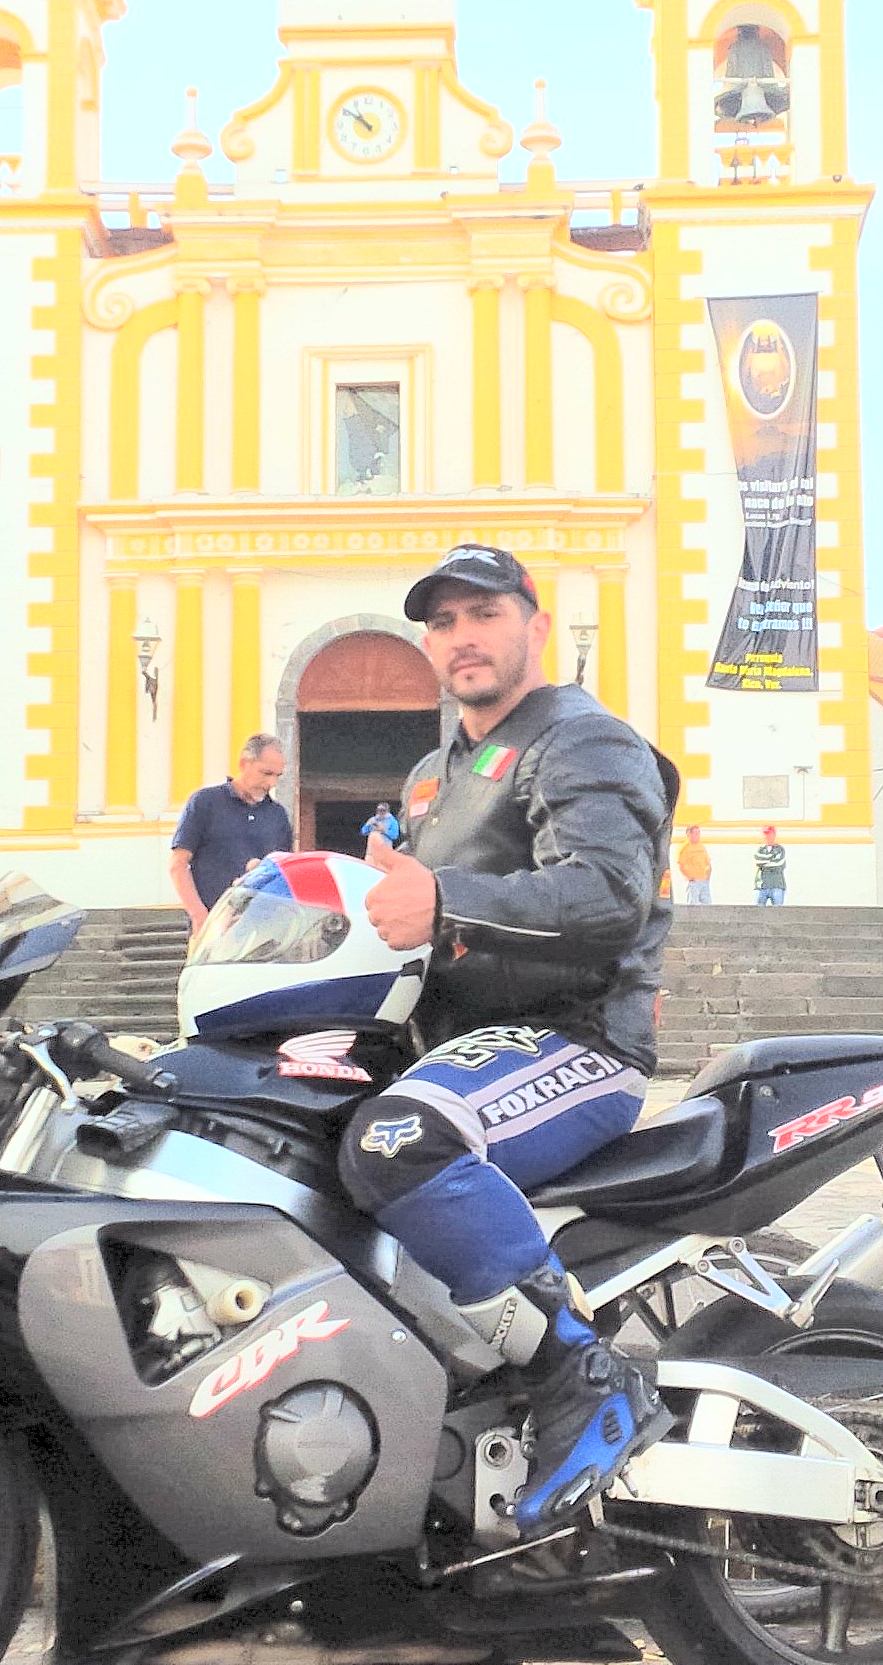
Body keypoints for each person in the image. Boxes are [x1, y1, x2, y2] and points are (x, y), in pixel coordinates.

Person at [337, 543, 676, 1535]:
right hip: (456, 1047)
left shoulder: (582, 741)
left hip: (574, 1042)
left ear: (532, 623)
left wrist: (441, 897)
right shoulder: (433, 774)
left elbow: (609, 895)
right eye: (440, 622)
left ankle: (584, 1370)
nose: (459, 638)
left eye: (481, 613)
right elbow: (400, 915)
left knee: (394, 1143)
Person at [169, 734, 293, 931]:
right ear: (244, 764)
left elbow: (284, 875)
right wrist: (200, 916)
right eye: (266, 773)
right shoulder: (205, 802)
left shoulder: (278, 815)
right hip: (212, 927)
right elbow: (178, 864)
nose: (271, 783)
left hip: (263, 931)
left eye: (277, 776)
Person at [677, 824, 713, 904]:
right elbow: (681, 865)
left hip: (704, 881)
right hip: (693, 882)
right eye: (695, 833)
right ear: (689, 834)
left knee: (707, 905)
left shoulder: (701, 847)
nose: (697, 835)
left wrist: (707, 877)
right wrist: (689, 877)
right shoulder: (684, 848)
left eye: (698, 833)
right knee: (693, 905)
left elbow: (707, 863)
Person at [753, 824, 787, 905]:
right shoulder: (760, 849)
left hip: (777, 885)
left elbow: (778, 863)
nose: (768, 836)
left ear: (774, 835)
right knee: (757, 912)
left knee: (778, 912)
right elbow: (758, 861)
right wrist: (771, 857)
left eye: (770, 834)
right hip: (761, 885)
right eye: (766, 834)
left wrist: (764, 863)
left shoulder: (780, 849)